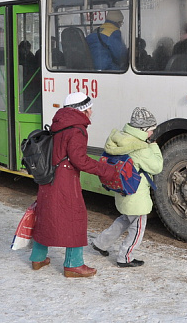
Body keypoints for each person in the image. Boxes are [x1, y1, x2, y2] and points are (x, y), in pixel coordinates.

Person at [30, 92, 118, 278]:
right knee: (76, 219)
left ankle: (37, 258)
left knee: (45, 216)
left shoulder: (59, 123)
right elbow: (80, 160)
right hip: (65, 181)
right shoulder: (77, 129)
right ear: (82, 110)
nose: (91, 112)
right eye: (89, 108)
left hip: (48, 179)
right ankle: (73, 264)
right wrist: (107, 170)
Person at [91, 107, 163, 268]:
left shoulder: (120, 139)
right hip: (136, 195)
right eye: (151, 129)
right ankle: (125, 257)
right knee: (138, 228)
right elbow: (157, 167)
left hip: (123, 190)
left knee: (124, 219)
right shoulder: (140, 147)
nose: (152, 133)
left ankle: (100, 243)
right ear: (143, 129)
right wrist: (154, 146)